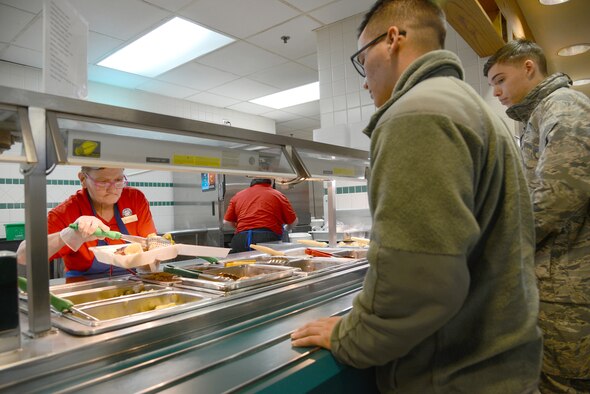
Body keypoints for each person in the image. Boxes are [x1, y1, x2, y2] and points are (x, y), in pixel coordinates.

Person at [291, 0, 543, 392]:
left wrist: (352, 337)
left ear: (392, 39)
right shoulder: (472, 107)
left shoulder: (416, 113)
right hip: (497, 363)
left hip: (454, 375)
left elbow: (419, 281)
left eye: (362, 59)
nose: (363, 79)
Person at [484, 39, 590, 393]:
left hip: (570, 286)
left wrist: (496, 243)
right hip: (558, 278)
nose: (497, 92)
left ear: (528, 67)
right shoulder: (538, 115)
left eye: (500, 79)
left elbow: (560, 192)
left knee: (564, 382)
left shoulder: (562, 106)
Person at [17, 167, 157, 278]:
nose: (113, 189)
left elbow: (151, 245)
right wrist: (67, 235)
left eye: (119, 180)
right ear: (83, 179)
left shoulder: (134, 199)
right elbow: (23, 256)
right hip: (84, 285)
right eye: (103, 182)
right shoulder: (67, 211)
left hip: (131, 280)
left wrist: (153, 261)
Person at [224, 178, 297, 253]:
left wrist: (242, 227)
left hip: (241, 239)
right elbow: (293, 222)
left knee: (241, 263)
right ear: (271, 183)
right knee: (266, 263)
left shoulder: (238, 196)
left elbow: (226, 222)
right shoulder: (278, 195)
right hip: (266, 239)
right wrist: (286, 229)